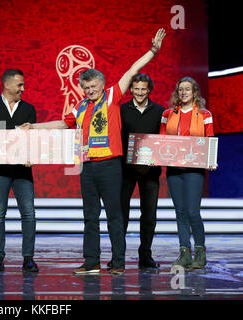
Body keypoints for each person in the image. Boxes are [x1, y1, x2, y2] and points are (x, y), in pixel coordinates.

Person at [22, 29, 166, 275]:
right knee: (90, 217)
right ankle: (92, 261)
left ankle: (118, 262)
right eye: (86, 87)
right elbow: (61, 123)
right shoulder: (79, 107)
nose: (90, 90)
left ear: (102, 84)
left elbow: (132, 70)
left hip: (111, 166)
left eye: (93, 86)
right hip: (87, 167)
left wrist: (152, 50)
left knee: (114, 216)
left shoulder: (112, 96)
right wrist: (34, 126)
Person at [0, 69, 39, 273]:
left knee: (29, 214)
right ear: (7, 85)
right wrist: (17, 133)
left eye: (23, 85)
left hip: (23, 171)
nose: (23, 88)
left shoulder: (29, 109)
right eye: (19, 85)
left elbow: (32, 140)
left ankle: (28, 258)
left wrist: (31, 155)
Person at [160, 76, 215, 269]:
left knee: (192, 212)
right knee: (180, 212)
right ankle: (184, 253)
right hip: (174, 170)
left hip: (194, 170)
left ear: (194, 93)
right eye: (181, 89)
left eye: (187, 89)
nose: (183, 93)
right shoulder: (168, 113)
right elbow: (161, 139)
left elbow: (209, 139)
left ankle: (200, 253)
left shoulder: (204, 114)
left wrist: (210, 159)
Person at [120, 73, 164, 269]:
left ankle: (145, 255)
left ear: (149, 90)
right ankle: (118, 255)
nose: (139, 92)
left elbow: (163, 140)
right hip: (125, 169)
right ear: (131, 90)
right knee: (121, 214)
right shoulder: (121, 110)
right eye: (136, 89)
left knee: (149, 215)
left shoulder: (160, 111)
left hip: (151, 170)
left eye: (143, 89)